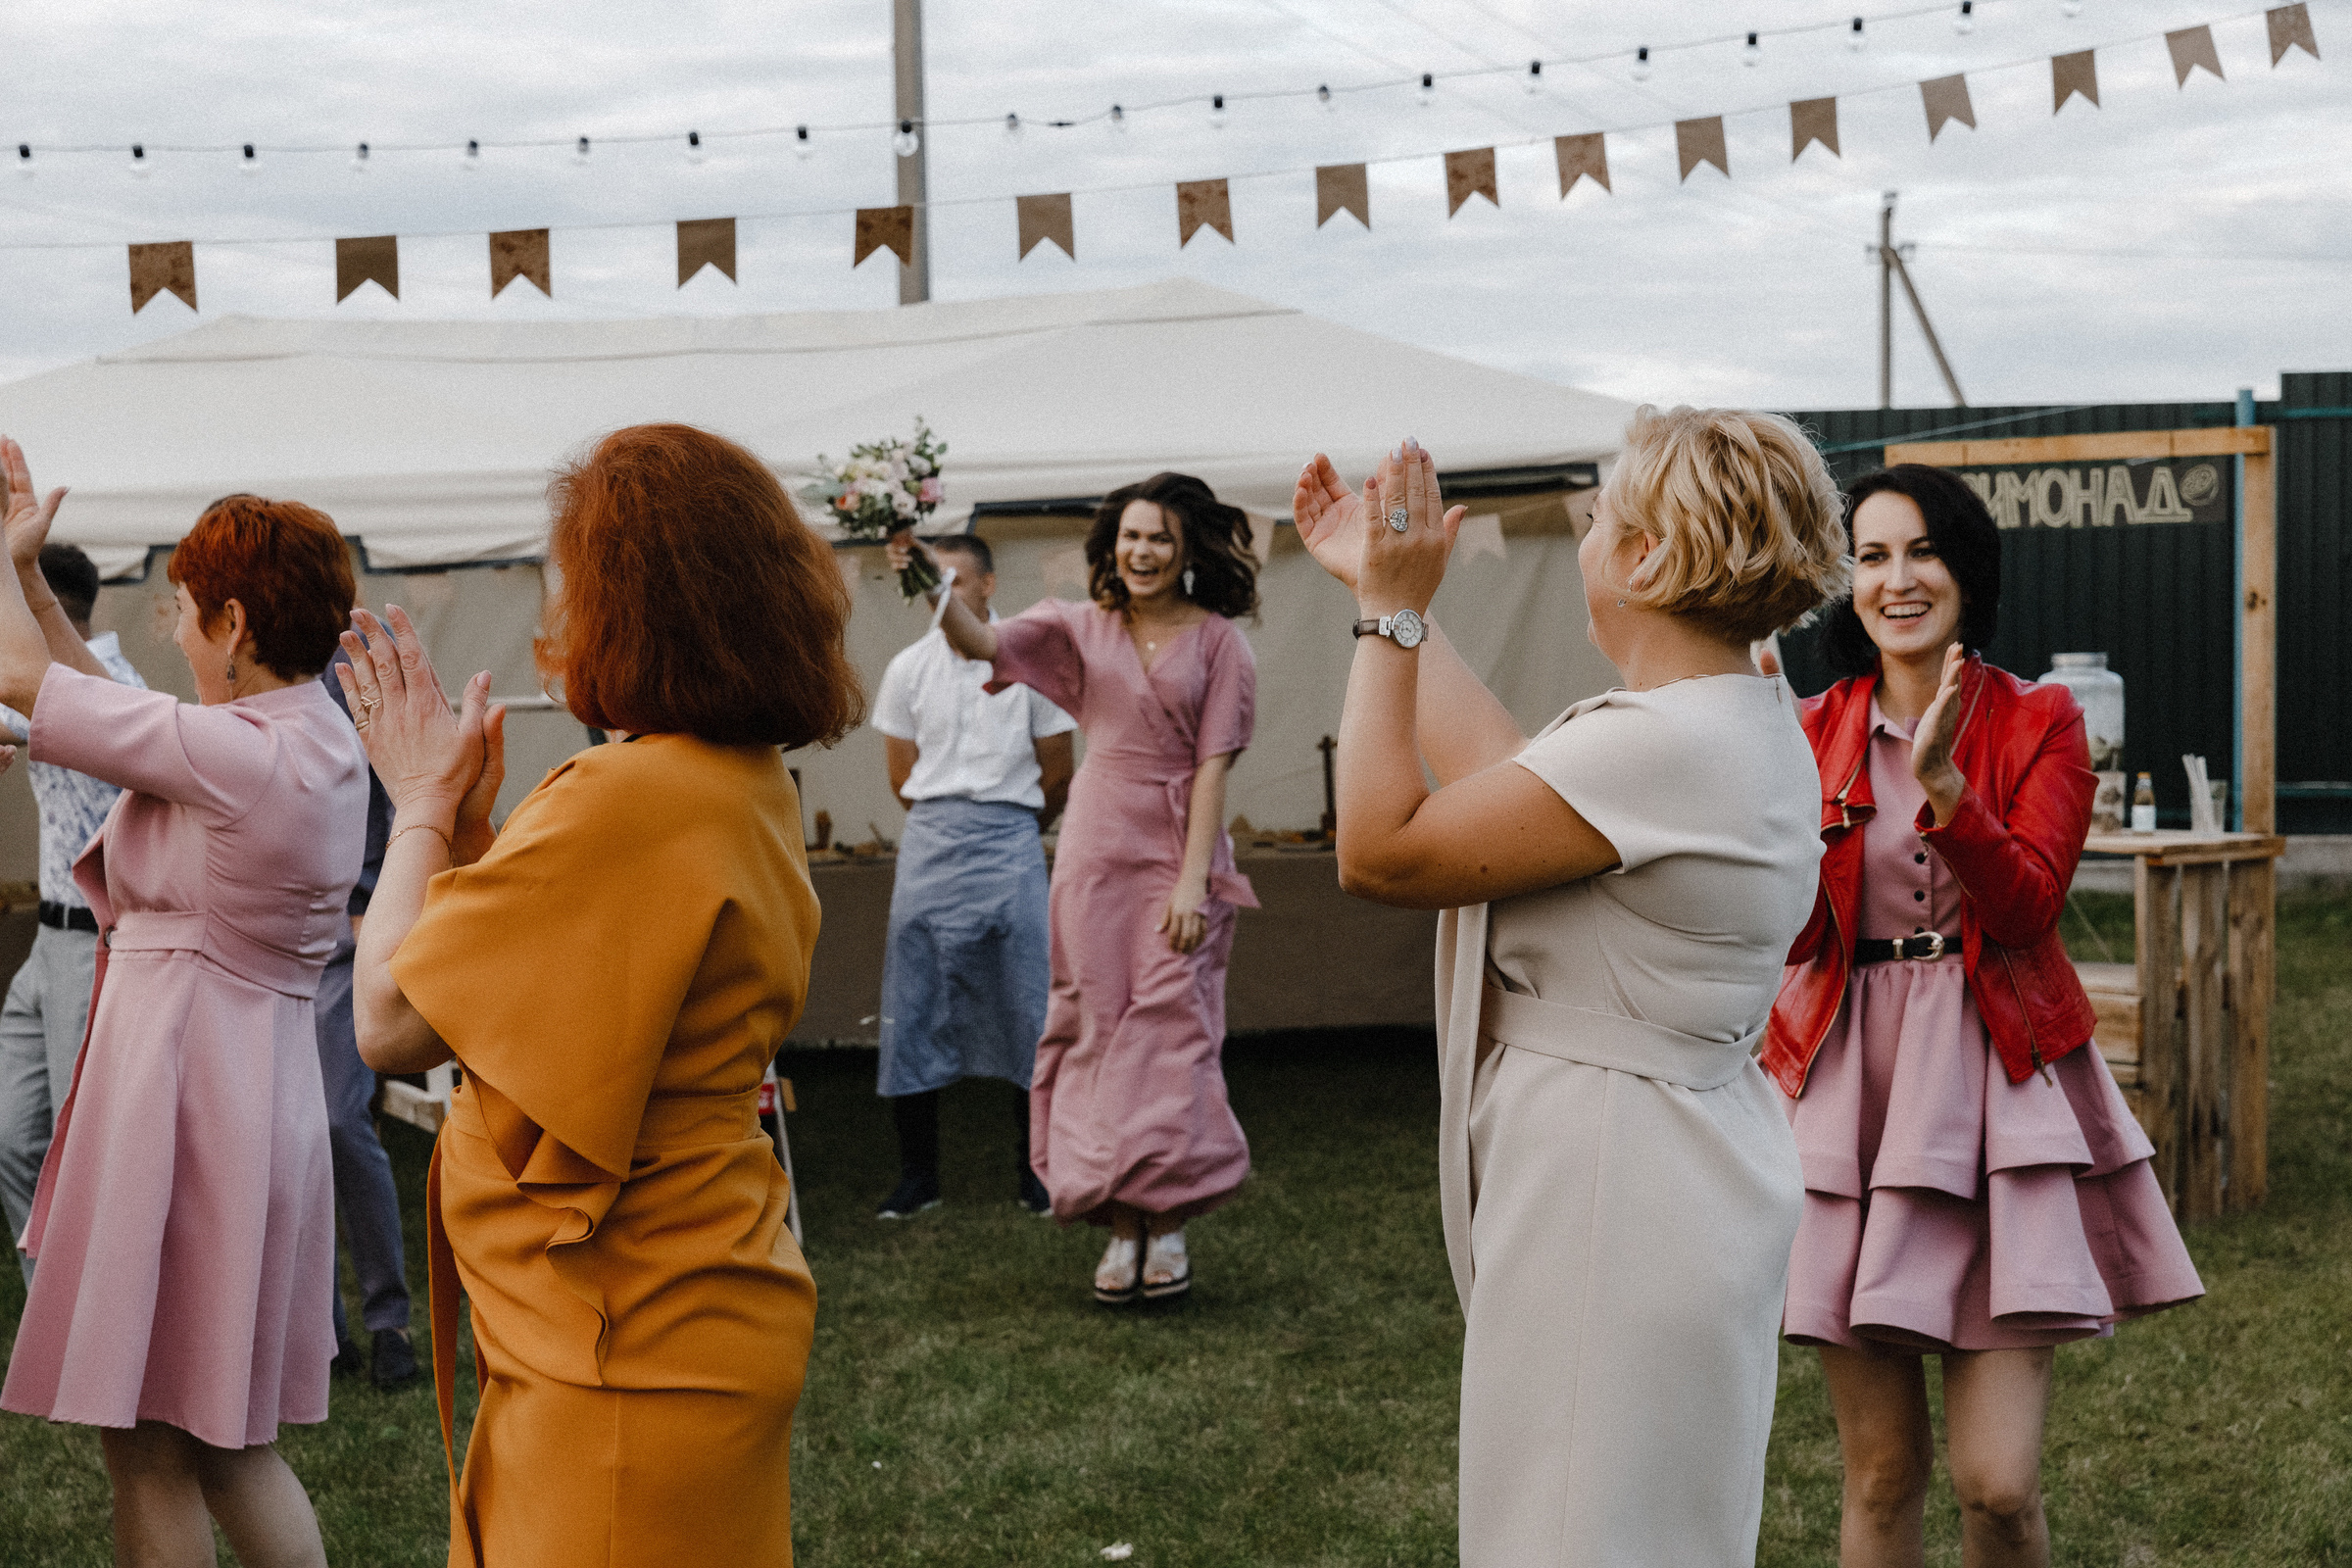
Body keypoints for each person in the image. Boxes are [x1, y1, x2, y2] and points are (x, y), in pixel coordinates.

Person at [1292, 413, 1849, 1565]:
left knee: (1573, 1526)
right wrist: (1388, 593)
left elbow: (1379, 852)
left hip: (1616, 1185)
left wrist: (1388, 617)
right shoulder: (1731, 720)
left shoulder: (1665, 743)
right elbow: (1511, 785)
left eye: (1599, 520)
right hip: (1672, 1162)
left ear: (1647, 557)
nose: (1589, 540)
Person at [344, 422, 857, 1566]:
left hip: (627, 1348)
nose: (554, 614)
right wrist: (471, 838)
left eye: (567, 582)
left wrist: (417, 804)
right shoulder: (741, 776)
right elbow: (584, 991)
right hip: (693, 1312)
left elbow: (389, 1018)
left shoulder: (627, 793)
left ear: (635, 606)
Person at [1764, 464, 2204, 1568]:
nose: (1898, 579)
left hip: (2002, 1089)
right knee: (1880, 1474)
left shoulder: (2043, 717)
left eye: (1923, 550)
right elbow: (1793, 935)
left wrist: (1946, 789)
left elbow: (2028, 906)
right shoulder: (1809, 728)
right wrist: (1764, 800)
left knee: (1998, 1487)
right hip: (1853, 1097)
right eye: (1872, 556)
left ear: (1967, 568)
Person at [0, 459, 368, 1568]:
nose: (175, 632)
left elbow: (24, 681)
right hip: (246, 1086)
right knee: (227, 1443)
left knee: (152, 1444)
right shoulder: (307, 740)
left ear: (236, 622)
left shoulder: (238, 753)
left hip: (184, 1096)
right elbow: (105, 713)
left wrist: (3, 562)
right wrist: (36, 584)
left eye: (184, 610)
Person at [888, 471, 1258, 1305]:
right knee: (1095, 1028)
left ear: (1187, 551)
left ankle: (1167, 1219)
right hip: (1095, 851)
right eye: (1131, 536)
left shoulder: (1220, 643)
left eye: (1159, 538)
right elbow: (979, 643)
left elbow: (1213, 768)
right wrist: (925, 581)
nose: (1142, 551)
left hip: (1177, 851)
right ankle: (1118, 1220)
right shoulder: (1075, 626)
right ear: (1111, 546)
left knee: (1170, 1032)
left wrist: (1193, 884)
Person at [869, 531, 1076, 1220]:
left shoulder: (1033, 661)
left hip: (1010, 842)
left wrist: (1011, 827)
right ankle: (918, 1178)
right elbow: (901, 777)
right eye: (932, 582)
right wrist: (951, 822)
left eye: (954, 581)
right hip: (930, 845)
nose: (942, 595)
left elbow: (1058, 772)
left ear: (988, 585)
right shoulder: (906, 668)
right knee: (913, 1004)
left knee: (1029, 1002)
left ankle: (1036, 1171)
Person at [1, 540, 146, 1289]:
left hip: (93, 945)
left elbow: (37, 714)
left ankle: (89, 1316)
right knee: (12, 1136)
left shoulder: (108, 685)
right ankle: (51, 1307)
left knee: (73, 1147)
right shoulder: (52, 682)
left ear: (41, 609)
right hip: (47, 946)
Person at [313, 649, 419, 1389]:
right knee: (284, 1142)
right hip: (266, 936)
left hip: (344, 935)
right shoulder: (235, 667)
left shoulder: (350, 664)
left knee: (336, 1122)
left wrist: (372, 906)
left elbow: (396, 790)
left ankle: (389, 1321)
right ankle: (323, 1332)